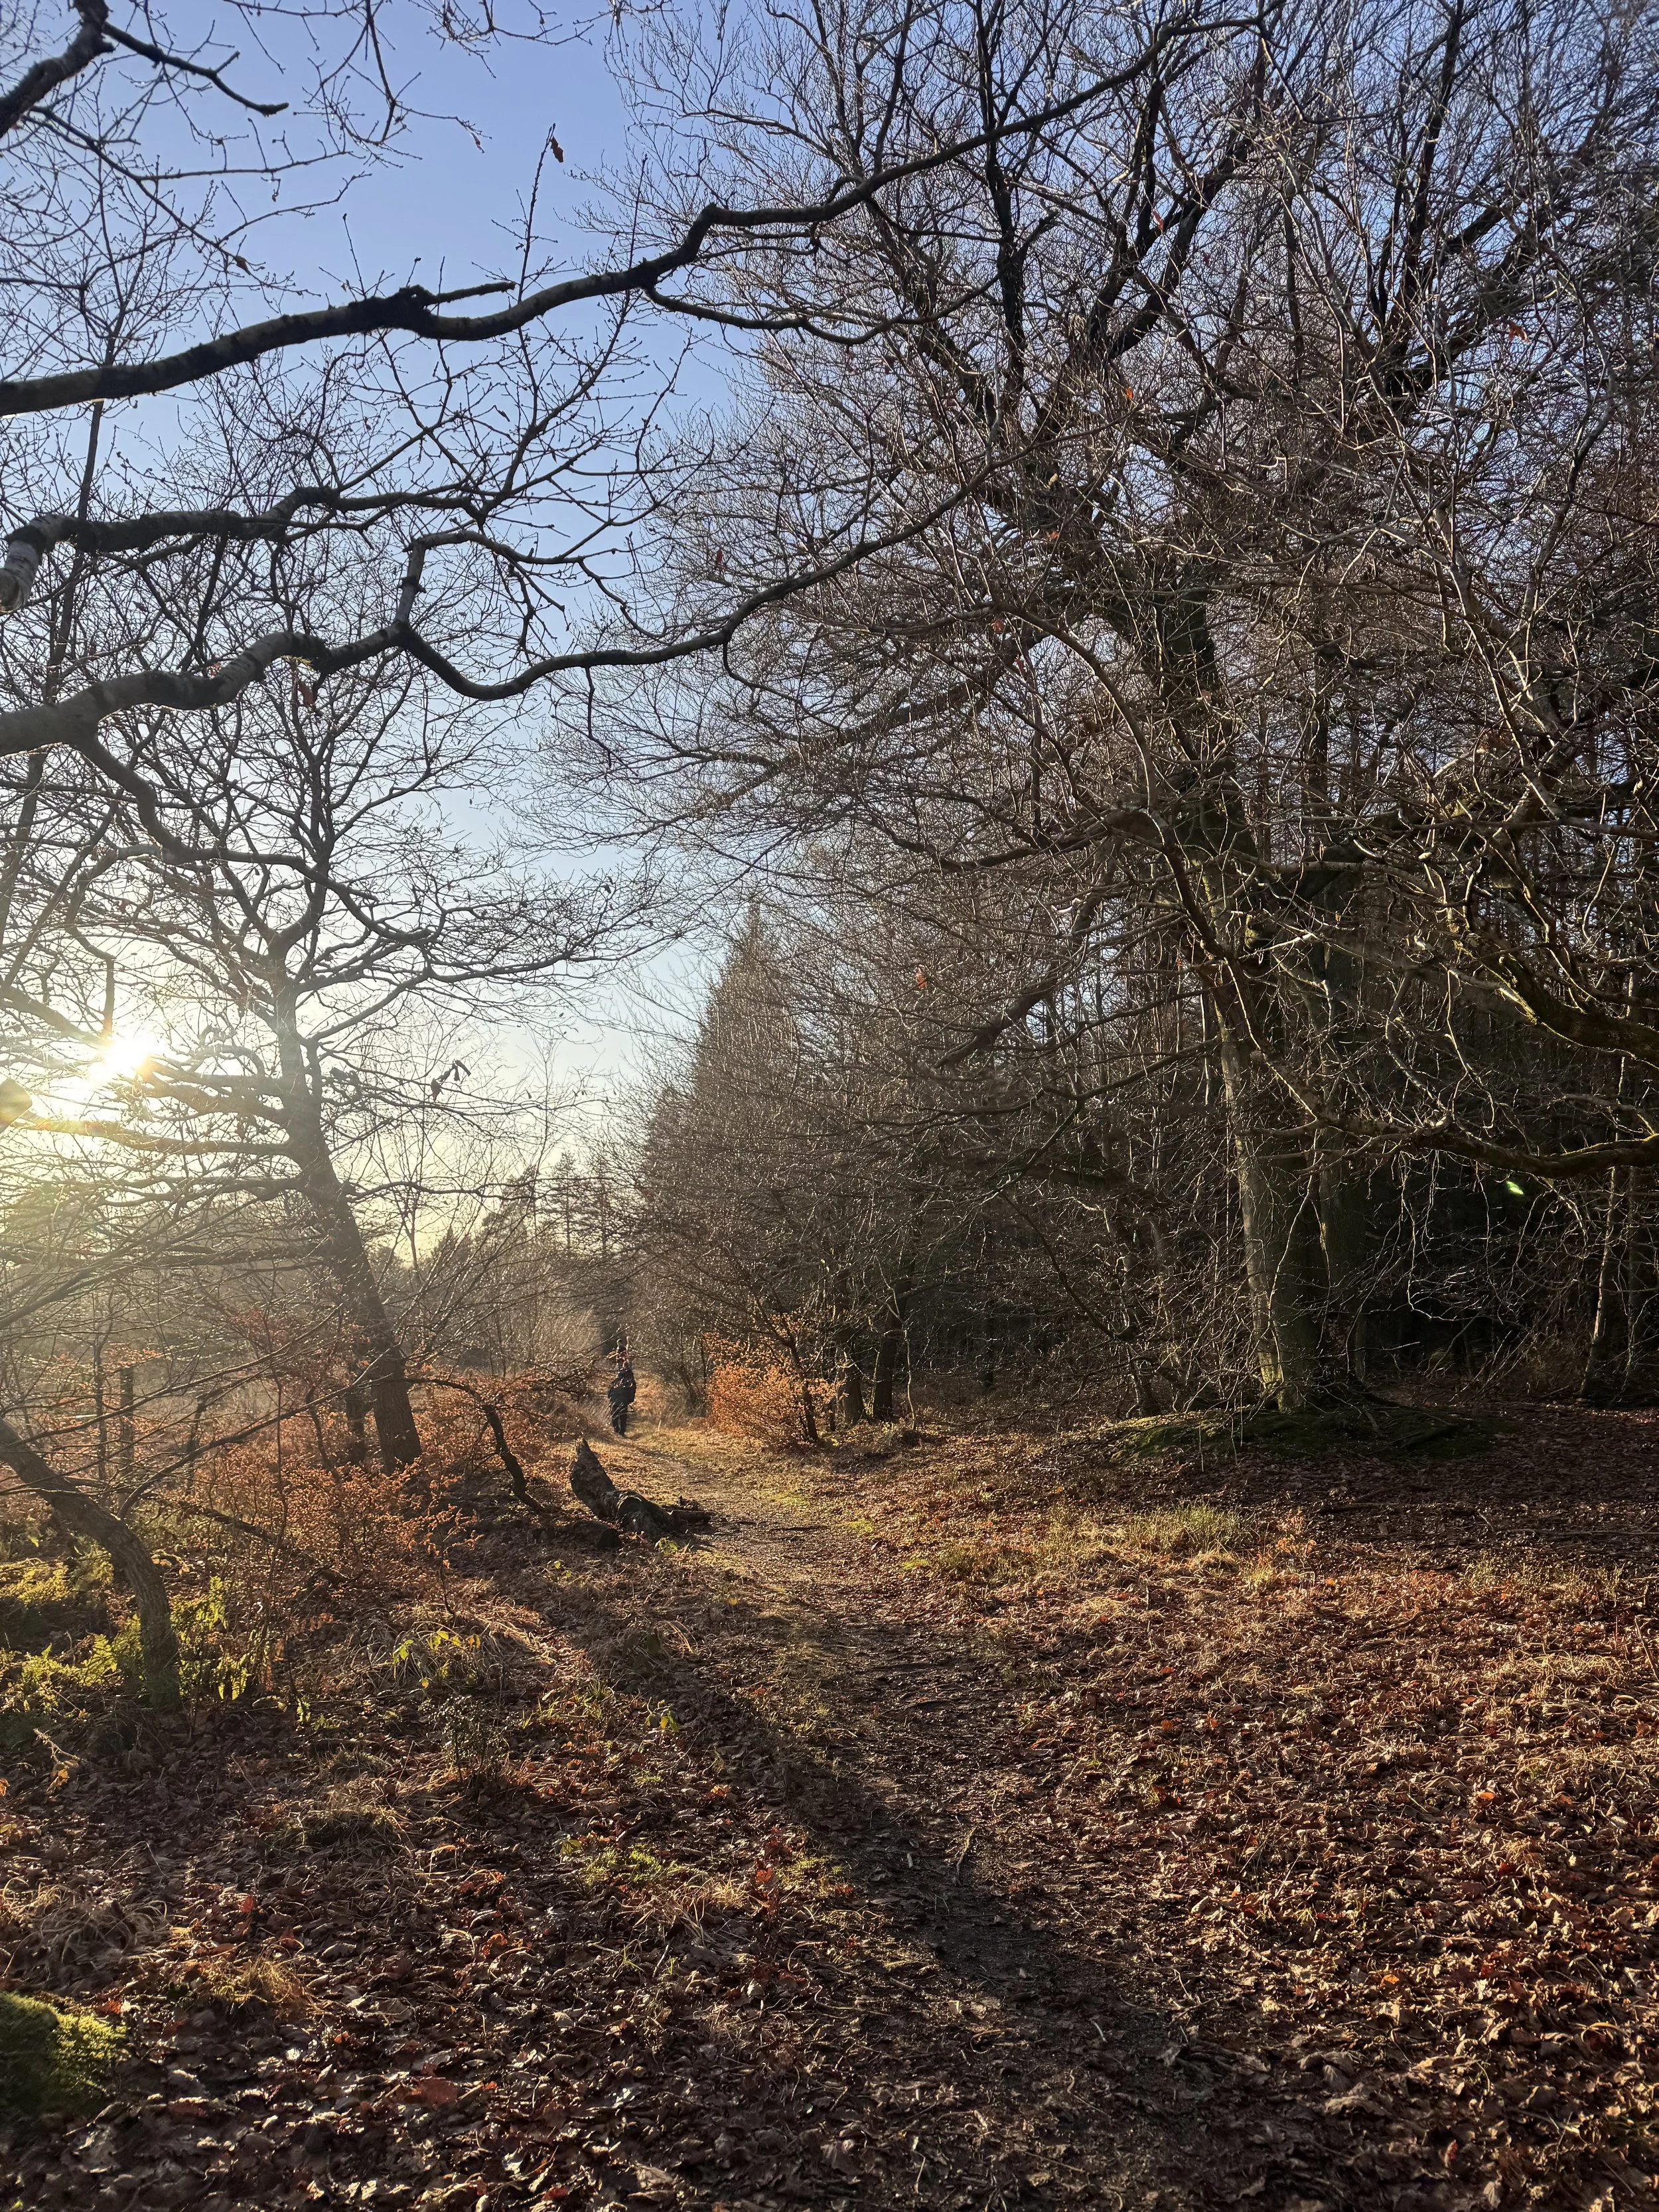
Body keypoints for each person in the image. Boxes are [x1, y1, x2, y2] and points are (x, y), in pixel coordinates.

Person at [607, 1356, 636, 1437]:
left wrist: (610, 1397)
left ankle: (616, 1430)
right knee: (623, 1415)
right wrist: (630, 1400)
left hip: (613, 1399)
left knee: (614, 1414)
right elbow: (632, 1391)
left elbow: (609, 1390)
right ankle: (622, 1432)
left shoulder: (615, 1380)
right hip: (623, 1399)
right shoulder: (629, 1381)